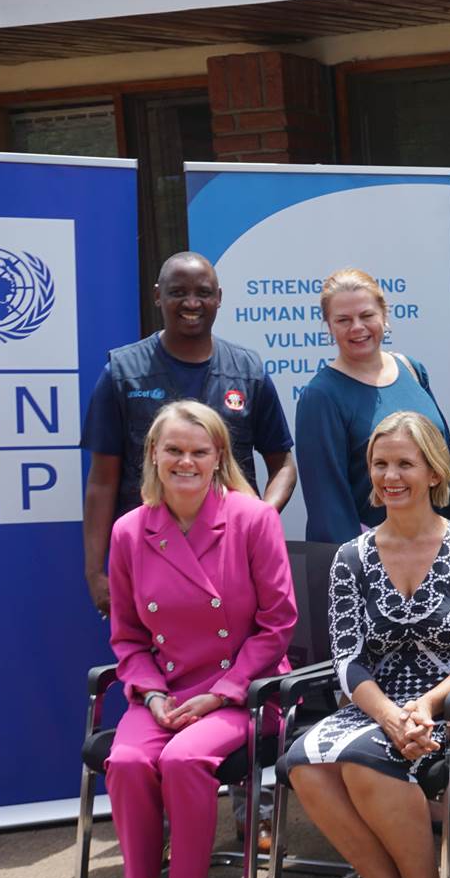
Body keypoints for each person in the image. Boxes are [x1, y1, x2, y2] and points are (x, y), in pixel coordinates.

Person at [278, 412, 450, 878]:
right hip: (373, 703)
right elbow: (347, 658)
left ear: (433, 472)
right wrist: (388, 714)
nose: (390, 476)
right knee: (302, 761)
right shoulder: (349, 559)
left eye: (405, 463)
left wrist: (426, 706)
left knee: (362, 764)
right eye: (380, 464)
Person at [104, 400, 296, 878]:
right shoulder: (129, 532)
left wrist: (223, 692)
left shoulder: (252, 518)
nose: (185, 461)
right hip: (164, 688)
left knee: (184, 760)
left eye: (198, 451)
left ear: (218, 458)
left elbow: (277, 623)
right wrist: (154, 692)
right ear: (154, 456)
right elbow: (128, 635)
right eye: (174, 451)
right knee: (128, 761)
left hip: (243, 689)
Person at [83, 251, 295, 618]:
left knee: (238, 657)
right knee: (152, 663)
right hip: (149, 557)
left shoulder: (248, 371)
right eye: (179, 292)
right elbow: (102, 481)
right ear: (157, 296)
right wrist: (95, 571)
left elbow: (284, 464)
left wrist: (259, 517)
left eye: (204, 292)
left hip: (234, 557)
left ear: (219, 298)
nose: (192, 303)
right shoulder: (122, 373)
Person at [295, 267, 450, 544]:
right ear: (329, 326)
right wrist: (357, 571)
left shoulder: (412, 369)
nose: (357, 327)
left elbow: (446, 459)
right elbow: (328, 504)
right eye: (343, 319)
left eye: (367, 315)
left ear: (384, 315)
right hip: (378, 557)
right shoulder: (321, 396)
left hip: (440, 546)